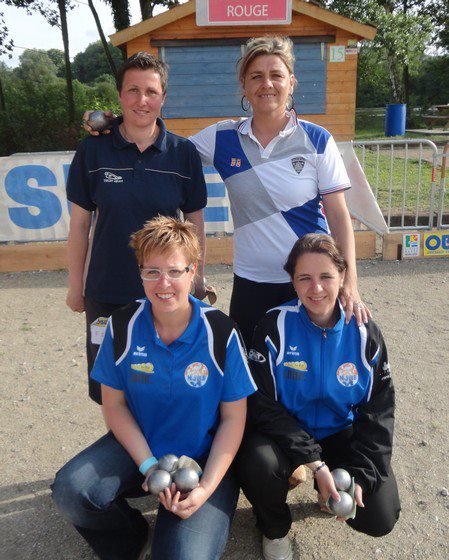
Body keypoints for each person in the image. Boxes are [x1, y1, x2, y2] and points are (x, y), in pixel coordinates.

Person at [84, 36, 369, 348]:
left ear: (291, 82)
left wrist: (349, 282)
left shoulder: (317, 139)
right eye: (256, 76)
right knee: (251, 384)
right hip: (251, 284)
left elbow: (340, 218)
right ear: (244, 85)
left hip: (310, 281)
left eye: (276, 75)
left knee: (310, 377)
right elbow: (163, 148)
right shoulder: (223, 137)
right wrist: (119, 122)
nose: (267, 84)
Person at [52, 216, 256, 560]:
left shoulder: (221, 332)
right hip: (141, 449)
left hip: (202, 459)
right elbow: (113, 406)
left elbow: (234, 419)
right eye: (152, 271)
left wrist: (204, 489)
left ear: (193, 272)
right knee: (72, 491)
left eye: (175, 271)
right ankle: (132, 537)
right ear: (141, 274)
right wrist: (148, 466)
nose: (164, 283)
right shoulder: (122, 325)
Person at [236, 233, 400, 560]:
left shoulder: (365, 332)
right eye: (305, 278)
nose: (316, 288)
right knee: (257, 463)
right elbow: (260, 405)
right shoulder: (274, 326)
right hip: (285, 433)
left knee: (380, 516)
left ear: (342, 276)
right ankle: (274, 529)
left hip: (340, 431)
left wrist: (362, 477)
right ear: (292, 282)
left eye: (326, 276)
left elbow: (380, 413)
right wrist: (314, 460)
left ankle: (325, 490)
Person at [68, 51, 208, 404]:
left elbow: (195, 225)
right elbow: (79, 225)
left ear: (163, 97)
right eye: (132, 90)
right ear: (119, 96)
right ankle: (126, 455)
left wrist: (197, 278)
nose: (141, 100)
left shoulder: (183, 153)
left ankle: (160, 458)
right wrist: (76, 287)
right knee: (109, 390)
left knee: (161, 384)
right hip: (106, 293)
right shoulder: (93, 150)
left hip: (165, 293)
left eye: (150, 91)